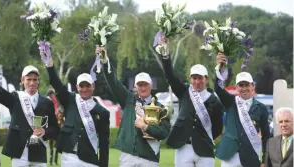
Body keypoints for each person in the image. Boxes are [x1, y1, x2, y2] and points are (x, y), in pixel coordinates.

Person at [97, 46, 171, 167]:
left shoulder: (159, 108)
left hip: (150, 157)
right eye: (140, 85)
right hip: (128, 156)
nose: (142, 88)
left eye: (145, 84)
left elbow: (164, 132)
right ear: (135, 87)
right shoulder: (128, 99)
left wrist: (146, 127)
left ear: (151, 85)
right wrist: (105, 61)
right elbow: (113, 81)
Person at [157, 35, 223, 167]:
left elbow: (217, 128)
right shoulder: (184, 91)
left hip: (205, 148)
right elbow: (170, 76)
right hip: (183, 147)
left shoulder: (215, 101)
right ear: (190, 78)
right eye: (194, 78)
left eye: (200, 78)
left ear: (206, 79)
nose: (197, 81)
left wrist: (203, 136)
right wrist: (165, 55)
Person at [0, 55, 59, 167]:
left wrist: (45, 132)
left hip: (39, 153)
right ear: (22, 80)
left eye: (34, 79)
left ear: (38, 81)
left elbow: (55, 129)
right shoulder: (15, 98)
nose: (32, 83)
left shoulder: (47, 103)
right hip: (19, 153)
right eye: (28, 79)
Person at [44, 56, 110, 167]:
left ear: (93, 86)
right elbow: (56, 84)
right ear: (76, 87)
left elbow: (104, 142)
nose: (84, 89)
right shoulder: (70, 100)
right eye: (81, 86)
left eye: (88, 85)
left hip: (90, 159)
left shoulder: (102, 112)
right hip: (69, 158)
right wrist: (50, 65)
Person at [215, 52, 270, 167]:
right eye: (241, 85)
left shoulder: (261, 108)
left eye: (247, 85)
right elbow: (218, 89)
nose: (244, 88)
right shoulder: (230, 102)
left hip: (251, 156)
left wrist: (265, 160)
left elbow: (266, 137)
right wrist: (220, 67)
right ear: (236, 87)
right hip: (229, 155)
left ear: (252, 86)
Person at [46, 88, 61, 166]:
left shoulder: (57, 101)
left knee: (57, 145)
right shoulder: (48, 102)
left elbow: (59, 112)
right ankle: (51, 161)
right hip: (51, 127)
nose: (53, 95)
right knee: (51, 146)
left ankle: (55, 161)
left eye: (53, 94)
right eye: (52, 94)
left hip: (57, 127)